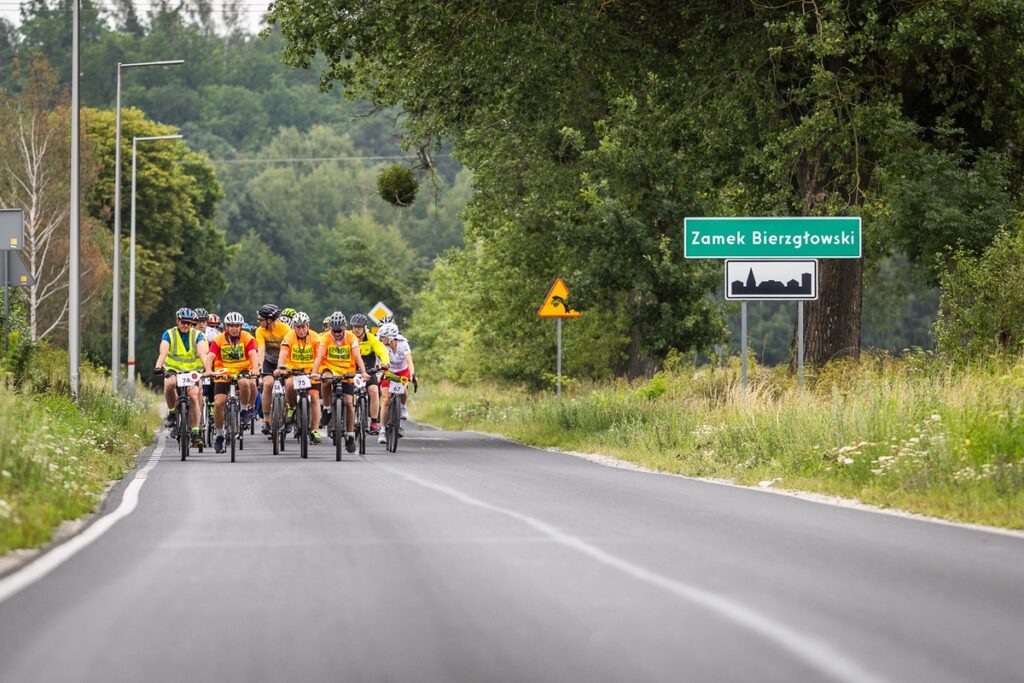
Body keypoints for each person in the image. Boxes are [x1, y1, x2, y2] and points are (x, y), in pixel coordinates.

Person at [153, 307, 208, 447]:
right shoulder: (169, 334)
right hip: (173, 369)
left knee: (195, 395)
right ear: (177, 321)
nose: (185, 325)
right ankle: (172, 413)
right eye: (183, 322)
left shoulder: (198, 335)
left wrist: (208, 369)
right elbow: (163, 353)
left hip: (192, 371)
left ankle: (195, 432)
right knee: (169, 384)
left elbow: (203, 354)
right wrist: (158, 366)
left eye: (189, 323)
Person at [206, 312, 259, 453]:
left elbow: (253, 354)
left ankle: (243, 410)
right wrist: (207, 370)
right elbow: (210, 356)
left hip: (242, 370)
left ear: (241, 326)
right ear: (227, 326)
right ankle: (219, 435)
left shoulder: (247, 337)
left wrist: (255, 369)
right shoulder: (219, 339)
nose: (234, 328)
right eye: (231, 326)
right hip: (223, 372)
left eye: (237, 326)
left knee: (245, 383)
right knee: (218, 403)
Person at [276, 311, 323, 444]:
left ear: (308, 326)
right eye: (298, 327)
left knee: (314, 397)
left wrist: (318, 371)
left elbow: (320, 356)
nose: (301, 330)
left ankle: (314, 430)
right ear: (294, 327)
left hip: (311, 371)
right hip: (293, 370)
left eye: (303, 326)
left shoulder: (316, 337)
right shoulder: (289, 337)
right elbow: (283, 354)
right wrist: (280, 366)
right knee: (290, 385)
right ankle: (291, 408)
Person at [349, 313, 389, 435]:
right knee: (348, 395)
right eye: (354, 327)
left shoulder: (371, 338)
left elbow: (382, 350)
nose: (356, 329)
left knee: (374, 391)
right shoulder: (348, 338)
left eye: (359, 327)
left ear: (364, 327)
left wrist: (385, 362)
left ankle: (374, 422)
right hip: (352, 371)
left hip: (368, 371)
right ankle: (350, 420)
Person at [376, 322, 415, 444]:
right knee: (386, 399)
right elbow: (379, 363)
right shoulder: (382, 346)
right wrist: (380, 373)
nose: (381, 339)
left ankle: (402, 406)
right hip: (388, 371)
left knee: (403, 389)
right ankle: (382, 430)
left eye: (383, 337)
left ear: (390, 337)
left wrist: (412, 375)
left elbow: (409, 362)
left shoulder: (403, 344)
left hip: (402, 371)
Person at [255, 304, 289, 435]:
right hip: (269, 361)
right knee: (268, 384)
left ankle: (287, 412)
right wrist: (258, 366)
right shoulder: (260, 330)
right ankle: (267, 420)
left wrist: (282, 367)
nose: (258, 321)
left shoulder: (284, 329)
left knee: (288, 386)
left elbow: (286, 350)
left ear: (269, 320)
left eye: (260, 319)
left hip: (284, 361)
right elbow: (261, 349)